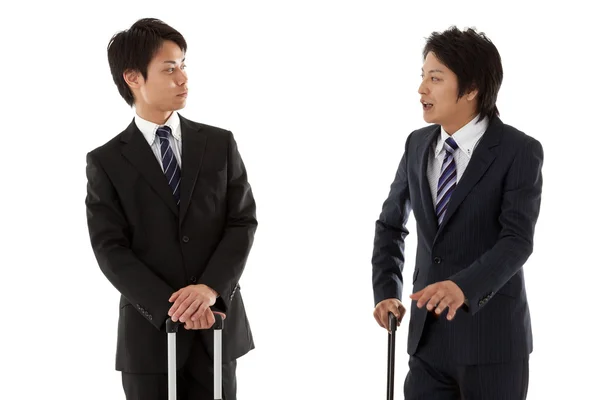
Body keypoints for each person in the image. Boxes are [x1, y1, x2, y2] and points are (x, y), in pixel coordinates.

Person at [85, 18, 257, 400]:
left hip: (216, 328)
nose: (183, 78)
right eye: (169, 68)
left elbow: (242, 221)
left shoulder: (219, 143)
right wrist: (173, 307)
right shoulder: (106, 161)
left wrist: (210, 289)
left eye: (183, 65)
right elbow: (110, 248)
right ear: (133, 78)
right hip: (149, 337)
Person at [371, 26, 543, 399]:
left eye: (435, 78)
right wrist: (386, 290)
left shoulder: (518, 150)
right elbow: (390, 225)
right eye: (423, 77)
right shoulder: (417, 144)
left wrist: (462, 287)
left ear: (470, 89)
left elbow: (517, 240)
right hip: (427, 343)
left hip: (491, 344)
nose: (422, 90)